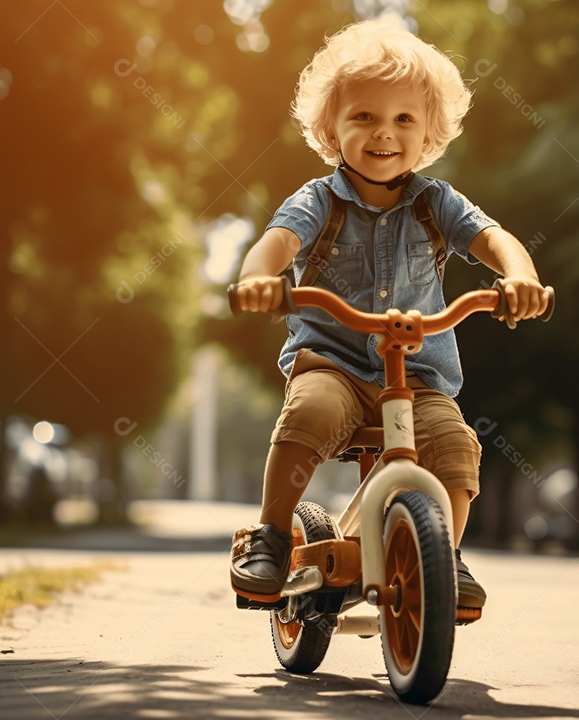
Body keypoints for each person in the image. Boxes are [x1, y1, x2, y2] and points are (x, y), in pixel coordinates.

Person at [229, 15, 549, 610]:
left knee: (454, 446)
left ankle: (443, 557)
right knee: (312, 413)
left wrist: (520, 277)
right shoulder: (317, 200)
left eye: (404, 118)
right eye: (365, 117)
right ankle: (271, 535)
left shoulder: (436, 203)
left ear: (429, 132)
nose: (385, 133)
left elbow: (495, 238)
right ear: (332, 128)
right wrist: (257, 278)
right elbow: (277, 243)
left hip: (419, 377)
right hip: (335, 365)